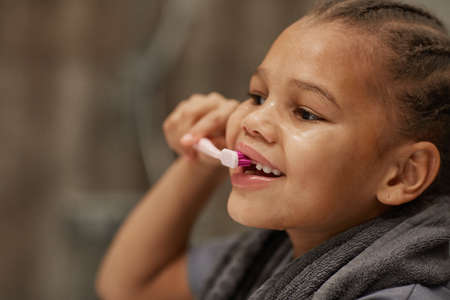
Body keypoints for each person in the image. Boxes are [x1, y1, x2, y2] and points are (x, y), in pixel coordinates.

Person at [95, 0, 450, 299]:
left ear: (403, 173)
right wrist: (198, 164)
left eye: (306, 112)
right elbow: (132, 286)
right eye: (257, 96)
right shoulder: (272, 254)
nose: (252, 121)